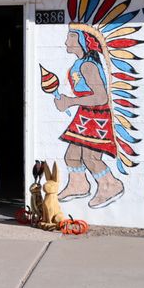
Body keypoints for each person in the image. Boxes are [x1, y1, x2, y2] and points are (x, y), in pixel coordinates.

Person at [53, 27, 124, 208]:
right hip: (86, 114)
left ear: (83, 40)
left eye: (71, 36)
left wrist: (70, 102)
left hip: (97, 116)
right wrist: (67, 101)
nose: (66, 40)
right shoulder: (80, 63)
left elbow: (101, 97)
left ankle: (111, 185)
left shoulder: (88, 65)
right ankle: (79, 185)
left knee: (91, 158)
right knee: (72, 156)